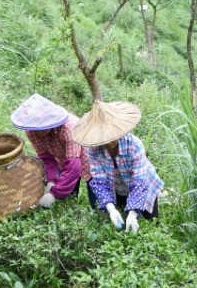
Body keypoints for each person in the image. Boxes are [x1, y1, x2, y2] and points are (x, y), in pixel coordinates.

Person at [73, 100, 163, 234]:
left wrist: (133, 214)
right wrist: (111, 209)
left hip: (144, 186)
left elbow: (139, 182)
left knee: (149, 222)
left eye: (111, 135)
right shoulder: (93, 151)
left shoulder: (134, 145)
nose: (109, 141)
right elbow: (99, 181)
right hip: (118, 187)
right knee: (122, 223)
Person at [11, 94, 90, 209]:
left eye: (41, 128)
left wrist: (54, 194)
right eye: (35, 129)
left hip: (89, 158)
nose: (37, 133)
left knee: (97, 198)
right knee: (70, 196)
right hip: (65, 159)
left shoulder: (68, 128)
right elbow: (46, 158)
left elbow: (73, 167)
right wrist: (51, 180)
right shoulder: (32, 131)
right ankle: (73, 209)